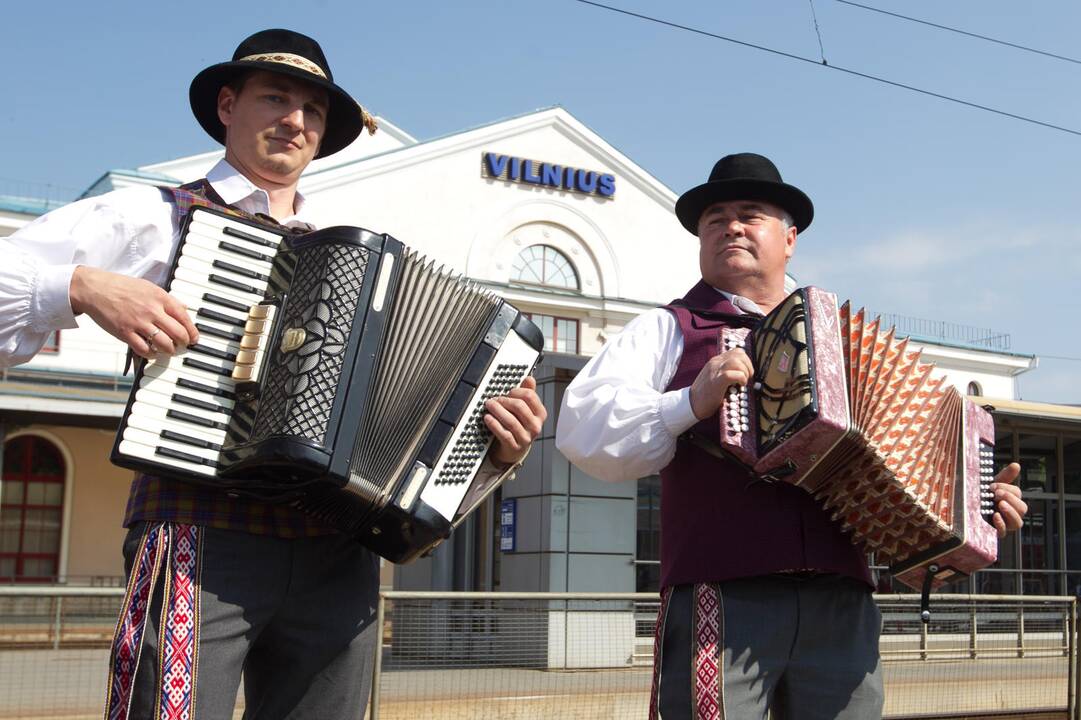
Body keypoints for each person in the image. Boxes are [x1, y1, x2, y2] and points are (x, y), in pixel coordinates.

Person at [0, 29, 546, 719]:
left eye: (312, 111)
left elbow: (415, 440)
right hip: (199, 532)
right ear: (228, 106)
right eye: (276, 98)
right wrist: (82, 285)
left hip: (335, 554)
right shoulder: (155, 215)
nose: (295, 120)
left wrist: (497, 448)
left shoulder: (360, 265)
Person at [554, 152, 1028, 719]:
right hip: (724, 592)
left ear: (790, 238)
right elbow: (582, 432)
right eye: (715, 219)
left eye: (750, 214)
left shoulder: (845, 345)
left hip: (843, 601)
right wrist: (688, 402)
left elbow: (909, 461)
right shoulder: (668, 327)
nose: (730, 225)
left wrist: (975, 504)